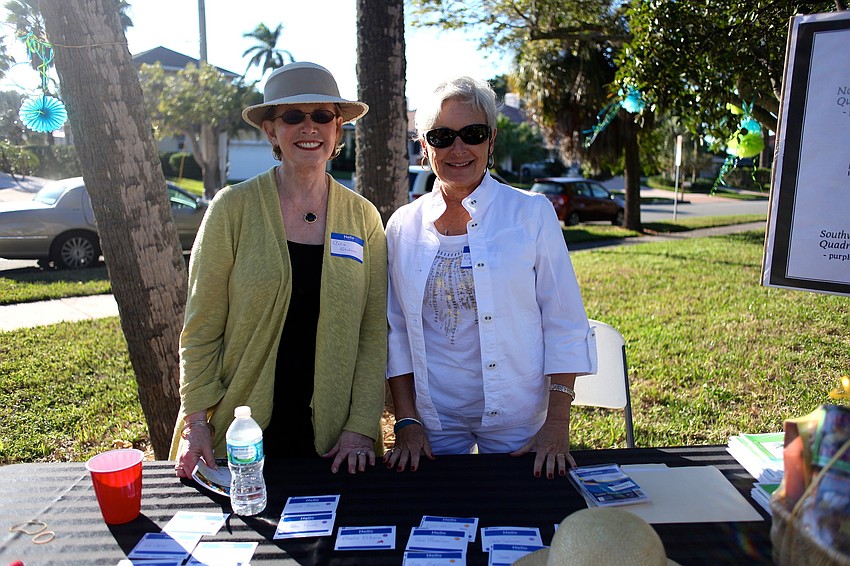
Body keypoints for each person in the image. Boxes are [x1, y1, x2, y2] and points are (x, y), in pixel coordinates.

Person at [170, 62, 387, 477]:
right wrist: (196, 422)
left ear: (338, 130)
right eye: (293, 117)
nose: (310, 128)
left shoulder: (363, 218)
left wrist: (361, 426)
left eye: (322, 116)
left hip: (336, 442)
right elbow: (200, 328)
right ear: (271, 130)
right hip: (240, 432)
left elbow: (373, 333)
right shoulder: (231, 209)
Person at [384, 76, 597, 479]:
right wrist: (407, 421)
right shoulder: (402, 226)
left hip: (519, 414)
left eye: (473, 134)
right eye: (442, 136)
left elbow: (564, 323)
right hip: (435, 421)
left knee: (523, 523)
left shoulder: (531, 214)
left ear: (492, 140)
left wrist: (556, 423)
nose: (459, 149)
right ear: (425, 145)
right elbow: (396, 331)